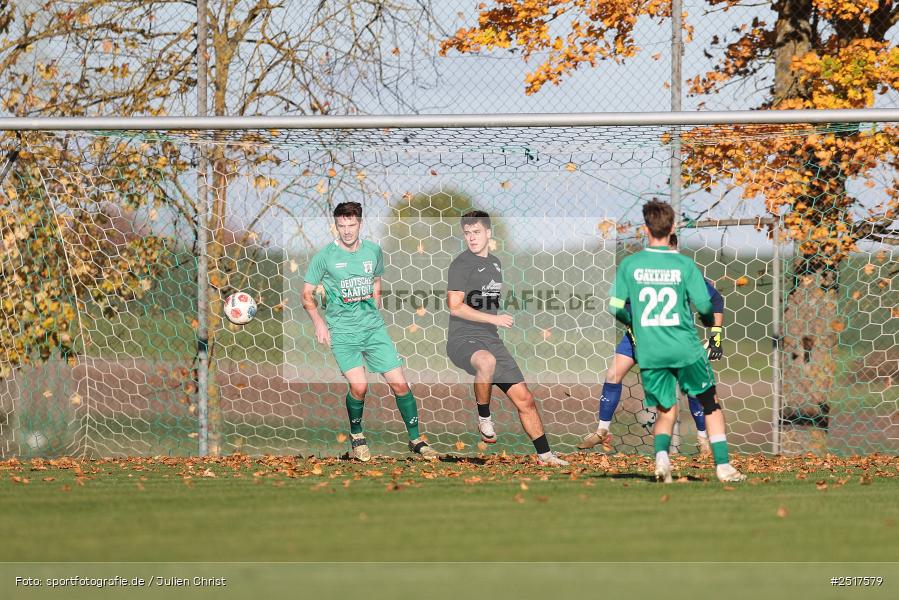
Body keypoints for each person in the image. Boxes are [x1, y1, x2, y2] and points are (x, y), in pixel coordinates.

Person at [607, 200, 745, 483]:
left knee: (665, 409)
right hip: (684, 347)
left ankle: (661, 460)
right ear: (671, 229)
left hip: (651, 349)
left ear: (646, 229)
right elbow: (705, 305)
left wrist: (633, 321)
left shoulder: (630, 265)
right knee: (710, 403)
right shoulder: (684, 264)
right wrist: (709, 324)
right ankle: (723, 467)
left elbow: (615, 306)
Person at [303, 201, 438, 461]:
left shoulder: (373, 251)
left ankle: (416, 440)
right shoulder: (325, 256)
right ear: (336, 225)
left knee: (400, 384)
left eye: (351, 225)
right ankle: (357, 435)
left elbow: (377, 280)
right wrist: (318, 322)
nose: (347, 231)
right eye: (341, 225)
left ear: (360, 224)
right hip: (343, 332)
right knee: (360, 387)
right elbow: (306, 293)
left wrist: (374, 303)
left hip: (374, 330)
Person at [578, 233, 724, 456]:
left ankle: (703, 439)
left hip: (674, 338)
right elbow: (619, 303)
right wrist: (632, 324)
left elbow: (715, 299)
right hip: (637, 338)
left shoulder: (682, 270)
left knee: (693, 388)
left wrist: (716, 335)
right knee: (613, 375)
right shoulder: (640, 271)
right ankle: (602, 431)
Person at [445, 210, 568, 466]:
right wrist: (494, 319)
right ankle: (484, 418)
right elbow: (454, 306)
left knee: (525, 399)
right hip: (462, 339)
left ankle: (546, 456)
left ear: (488, 233)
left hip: (490, 339)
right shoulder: (461, 264)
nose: (472, 237)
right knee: (486, 361)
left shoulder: (495, 263)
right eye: (467, 233)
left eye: (476, 232)